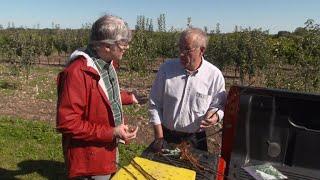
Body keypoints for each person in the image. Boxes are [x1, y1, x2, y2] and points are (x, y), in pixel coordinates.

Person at [56, 15, 138, 179]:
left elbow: (101, 94)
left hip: (107, 149)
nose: (126, 47)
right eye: (123, 43)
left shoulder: (106, 63)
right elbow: (68, 123)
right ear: (106, 46)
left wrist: (128, 98)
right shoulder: (77, 73)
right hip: (90, 159)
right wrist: (112, 132)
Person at [149, 27, 227, 151]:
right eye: (180, 48)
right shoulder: (166, 69)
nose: (181, 54)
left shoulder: (214, 75)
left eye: (187, 49)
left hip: (195, 140)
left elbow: (219, 105)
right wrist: (159, 137)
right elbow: (154, 104)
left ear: (201, 50)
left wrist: (215, 116)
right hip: (166, 136)